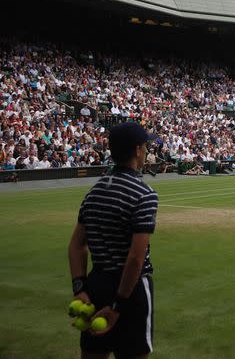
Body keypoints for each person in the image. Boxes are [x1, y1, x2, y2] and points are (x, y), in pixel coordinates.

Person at [67, 122, 158, 358]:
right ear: (138, 150)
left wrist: (79, 287)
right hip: (131, 290)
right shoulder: (144, 194)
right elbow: (136, 258)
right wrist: (118, 306)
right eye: (146, 145)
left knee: (93, 353)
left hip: (97, 284)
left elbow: (76, 245)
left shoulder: (94, 192)